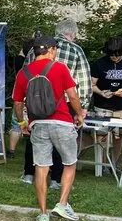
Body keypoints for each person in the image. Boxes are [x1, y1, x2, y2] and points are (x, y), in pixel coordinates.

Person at [13, 35, 86, 221]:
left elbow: (18, 102)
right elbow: (72, 94)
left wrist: (22, 123)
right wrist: (79, 114)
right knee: (70, 163)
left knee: (41, 168)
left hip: (38, 124)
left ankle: (43, 214)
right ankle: (62, 204)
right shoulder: (59, 68)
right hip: (61, 121)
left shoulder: (23, 72)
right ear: (52, 49)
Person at [23, 20, 91, 186]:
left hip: (36, 100)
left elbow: (25, 72)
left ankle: (29, 174)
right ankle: (56, 179)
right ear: (73, 34)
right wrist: (83, 107)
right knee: (61, 140)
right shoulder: (76, 50)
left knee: (34, 137)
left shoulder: (37, 48)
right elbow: (83, 81)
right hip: (64, 102)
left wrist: (26, 102)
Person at [8, 38, 34, 154]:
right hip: (34, 99)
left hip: (20, 97)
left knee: (16, 124)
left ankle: (12, 150)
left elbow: (20, 53)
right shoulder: (37, 65)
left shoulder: (20, 63)